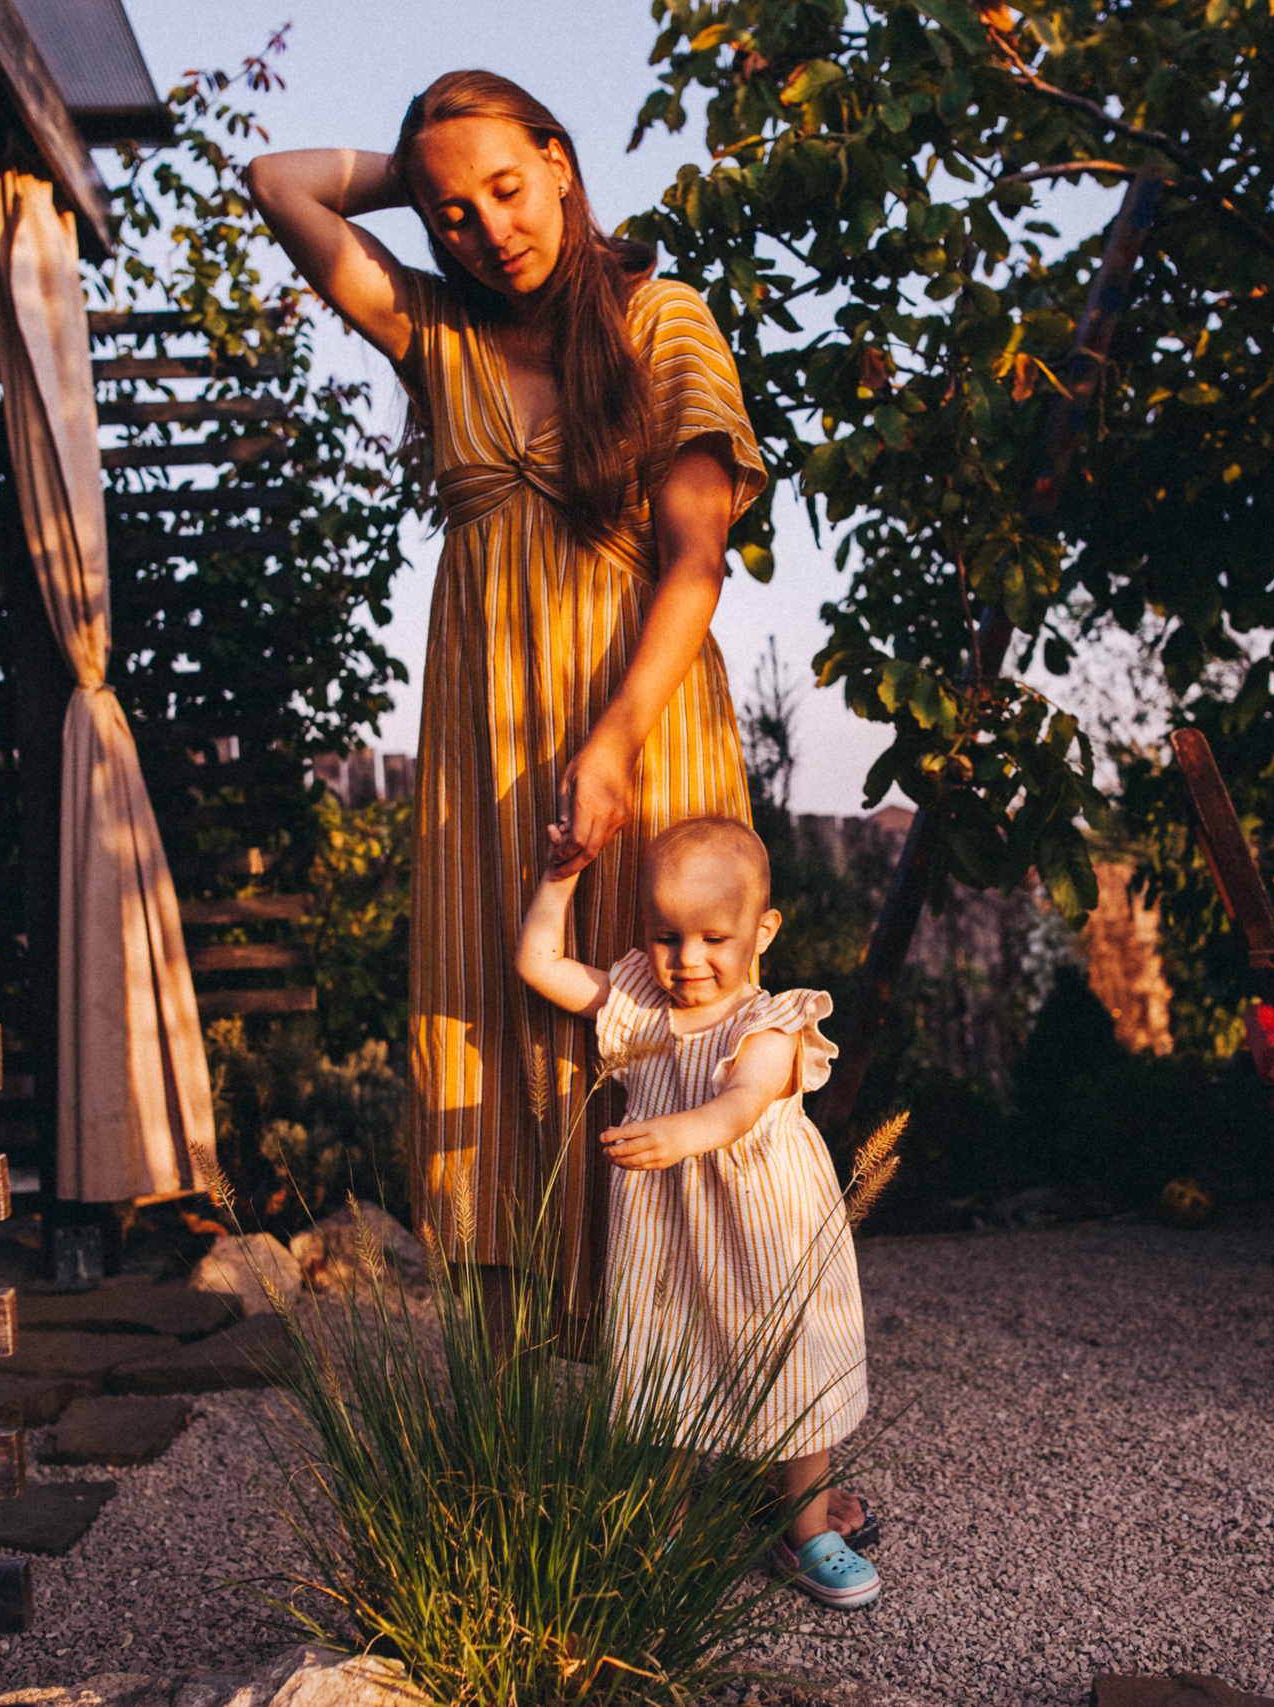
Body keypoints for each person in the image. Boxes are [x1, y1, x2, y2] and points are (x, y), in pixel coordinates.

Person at [247, 67, 873, 1550]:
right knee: (504, 1049)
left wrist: (610, 744)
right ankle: (540, 1447)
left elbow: (697, 563)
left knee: (696, 1061)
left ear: (565, 163)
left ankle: (781, 1458)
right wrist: (429, 179)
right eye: (449, 209)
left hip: (644, 749)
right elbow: (279, 181)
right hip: (487, 776)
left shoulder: (662, 323)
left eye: (509, 189)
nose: (483, 228)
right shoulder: (437, 332)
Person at [517, 816, 878, 1610]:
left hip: (766, 1240)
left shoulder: (774, 1021)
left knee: (794, 1385)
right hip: (668, 1238)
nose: (688, 961)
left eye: (714, 937)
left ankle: (808, 1528)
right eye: (666, 936)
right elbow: (536, 962)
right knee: (666, 1378)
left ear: (762, 929)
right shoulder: (640, 1003)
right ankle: (668, 1530)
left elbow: (741, 1104)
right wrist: (561, 871)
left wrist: (680, 1131)